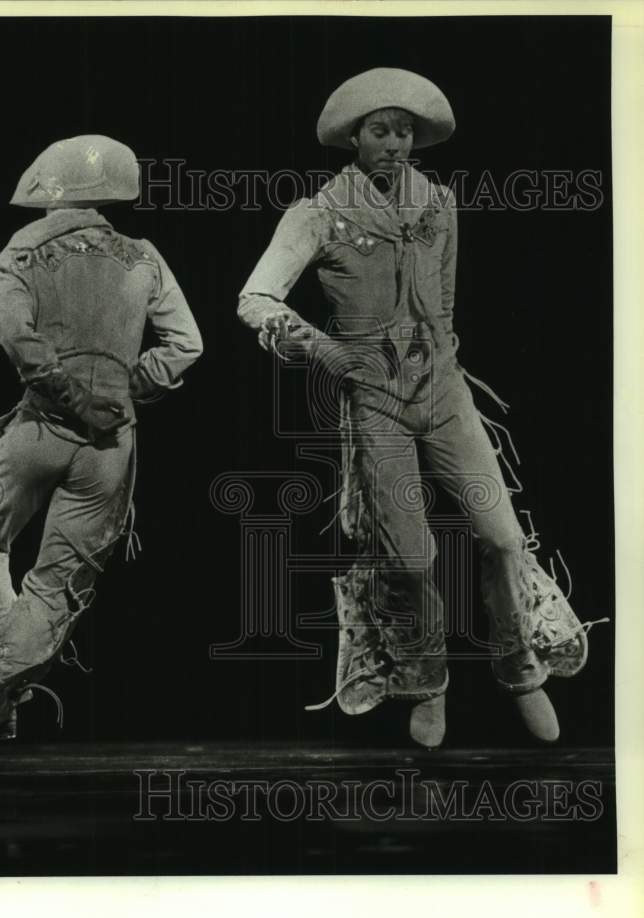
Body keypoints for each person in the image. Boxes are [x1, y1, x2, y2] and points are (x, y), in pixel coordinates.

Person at [237, 69, 593, 748]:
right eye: (381, 131)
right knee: (410, 556)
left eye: (404, 132)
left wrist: (443, 358)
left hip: (444, 389)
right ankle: (427, 682)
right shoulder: (318, 211)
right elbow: (255, 300)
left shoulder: (437, 202)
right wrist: (325, 351)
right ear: (354, 138)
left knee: (502, 537)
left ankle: (519, 664)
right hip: (376, 400)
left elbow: (447, 298)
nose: (395, 144)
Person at [0, 135, 202, 773]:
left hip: (42, 427)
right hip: (112, 441)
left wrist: (71, 395)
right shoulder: (143, 255)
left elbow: (18, 341)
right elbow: (187, 343)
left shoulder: (20, 251)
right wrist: (123, 388)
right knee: (57, 585)